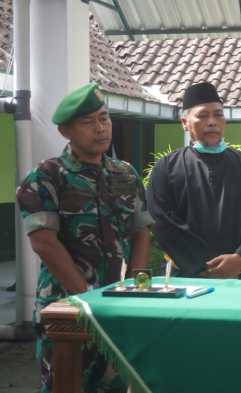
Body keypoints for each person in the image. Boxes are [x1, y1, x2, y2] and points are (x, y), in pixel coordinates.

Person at [16, 82, 152, 393]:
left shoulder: (125, 174)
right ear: (66, 131)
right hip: (66, 307)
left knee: (115, 385)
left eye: (104, 118)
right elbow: (44, 243)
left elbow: (141, 231)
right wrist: (89, 298)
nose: (101, 128)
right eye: (88, 122)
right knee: (65, 385)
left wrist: (136, 287)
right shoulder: (46, 177)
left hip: (118, 304)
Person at [146, 82, 241, 279]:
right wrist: (203, 266)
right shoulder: (166, 169)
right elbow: (162, 222)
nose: (212, 122)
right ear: (184, 123)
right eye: (202, 115)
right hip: (189, 277)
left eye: (218, 115)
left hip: (240, 274)